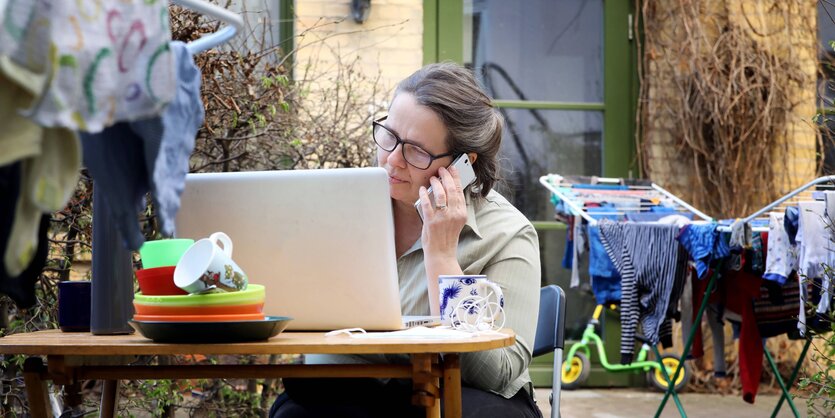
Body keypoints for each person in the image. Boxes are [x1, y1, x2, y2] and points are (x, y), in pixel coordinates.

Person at [270, 62, 542, 418]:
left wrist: (443, 257)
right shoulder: (340, 210)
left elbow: (499, 372)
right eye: (389, 136)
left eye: (416, 150)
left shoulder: (506, 234)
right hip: (350, 390)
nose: (393, 160)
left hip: (466, 395)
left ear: (463, 163)